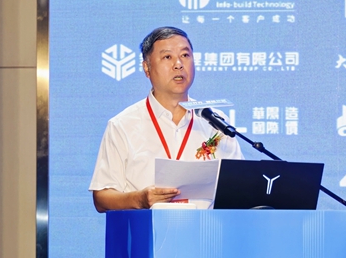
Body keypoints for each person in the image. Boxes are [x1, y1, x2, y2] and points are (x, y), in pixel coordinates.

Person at [89, 27, 244, 212]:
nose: (178, 64)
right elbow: (102, 198)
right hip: (147, 228)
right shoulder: (123, 125)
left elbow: (239, 186)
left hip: (205, 228)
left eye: (185, 55)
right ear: (147, 68)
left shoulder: (216, 122)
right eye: (167, 57)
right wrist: (140, 199)